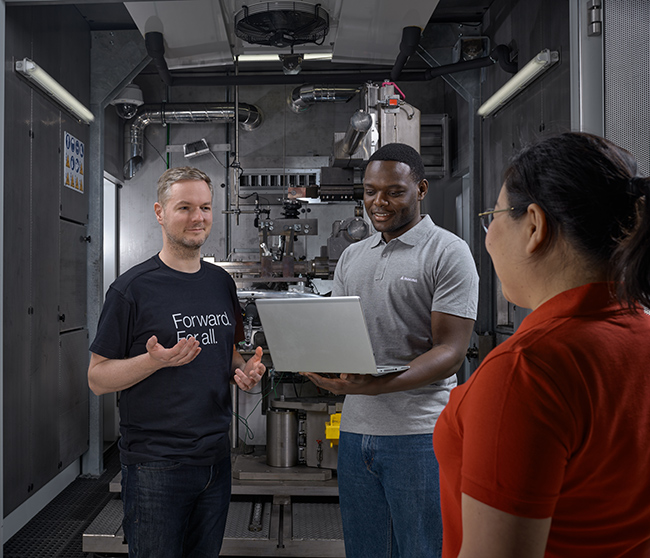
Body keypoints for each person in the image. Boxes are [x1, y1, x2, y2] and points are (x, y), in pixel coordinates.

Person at [433, 132, 650, 558]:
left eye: (492, 217)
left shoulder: (528, 372)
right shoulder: (641, 336)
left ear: (534, 225)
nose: (488, 237)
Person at [303, 143, 479, 558]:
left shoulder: (448, 252)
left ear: (420, 189)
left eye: (393, 191)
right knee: (365, 551)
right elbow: (342, 339)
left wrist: (376, 387)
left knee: (422, 550)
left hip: (420, 435)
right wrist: (318, 360)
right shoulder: (352, 256)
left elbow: (451, 352)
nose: (378, 202)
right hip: (355, 432)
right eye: (370, 191)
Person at [87, 166, 266, 558]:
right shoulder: (132, 289)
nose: (197, 217)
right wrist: (154, 362)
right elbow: (98, 378)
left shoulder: (221, 283)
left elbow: (226, 351)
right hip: (156, 466)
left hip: (216, 461)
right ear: (159, 212)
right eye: (184, 207)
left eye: (204, 207)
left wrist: (244, 372)